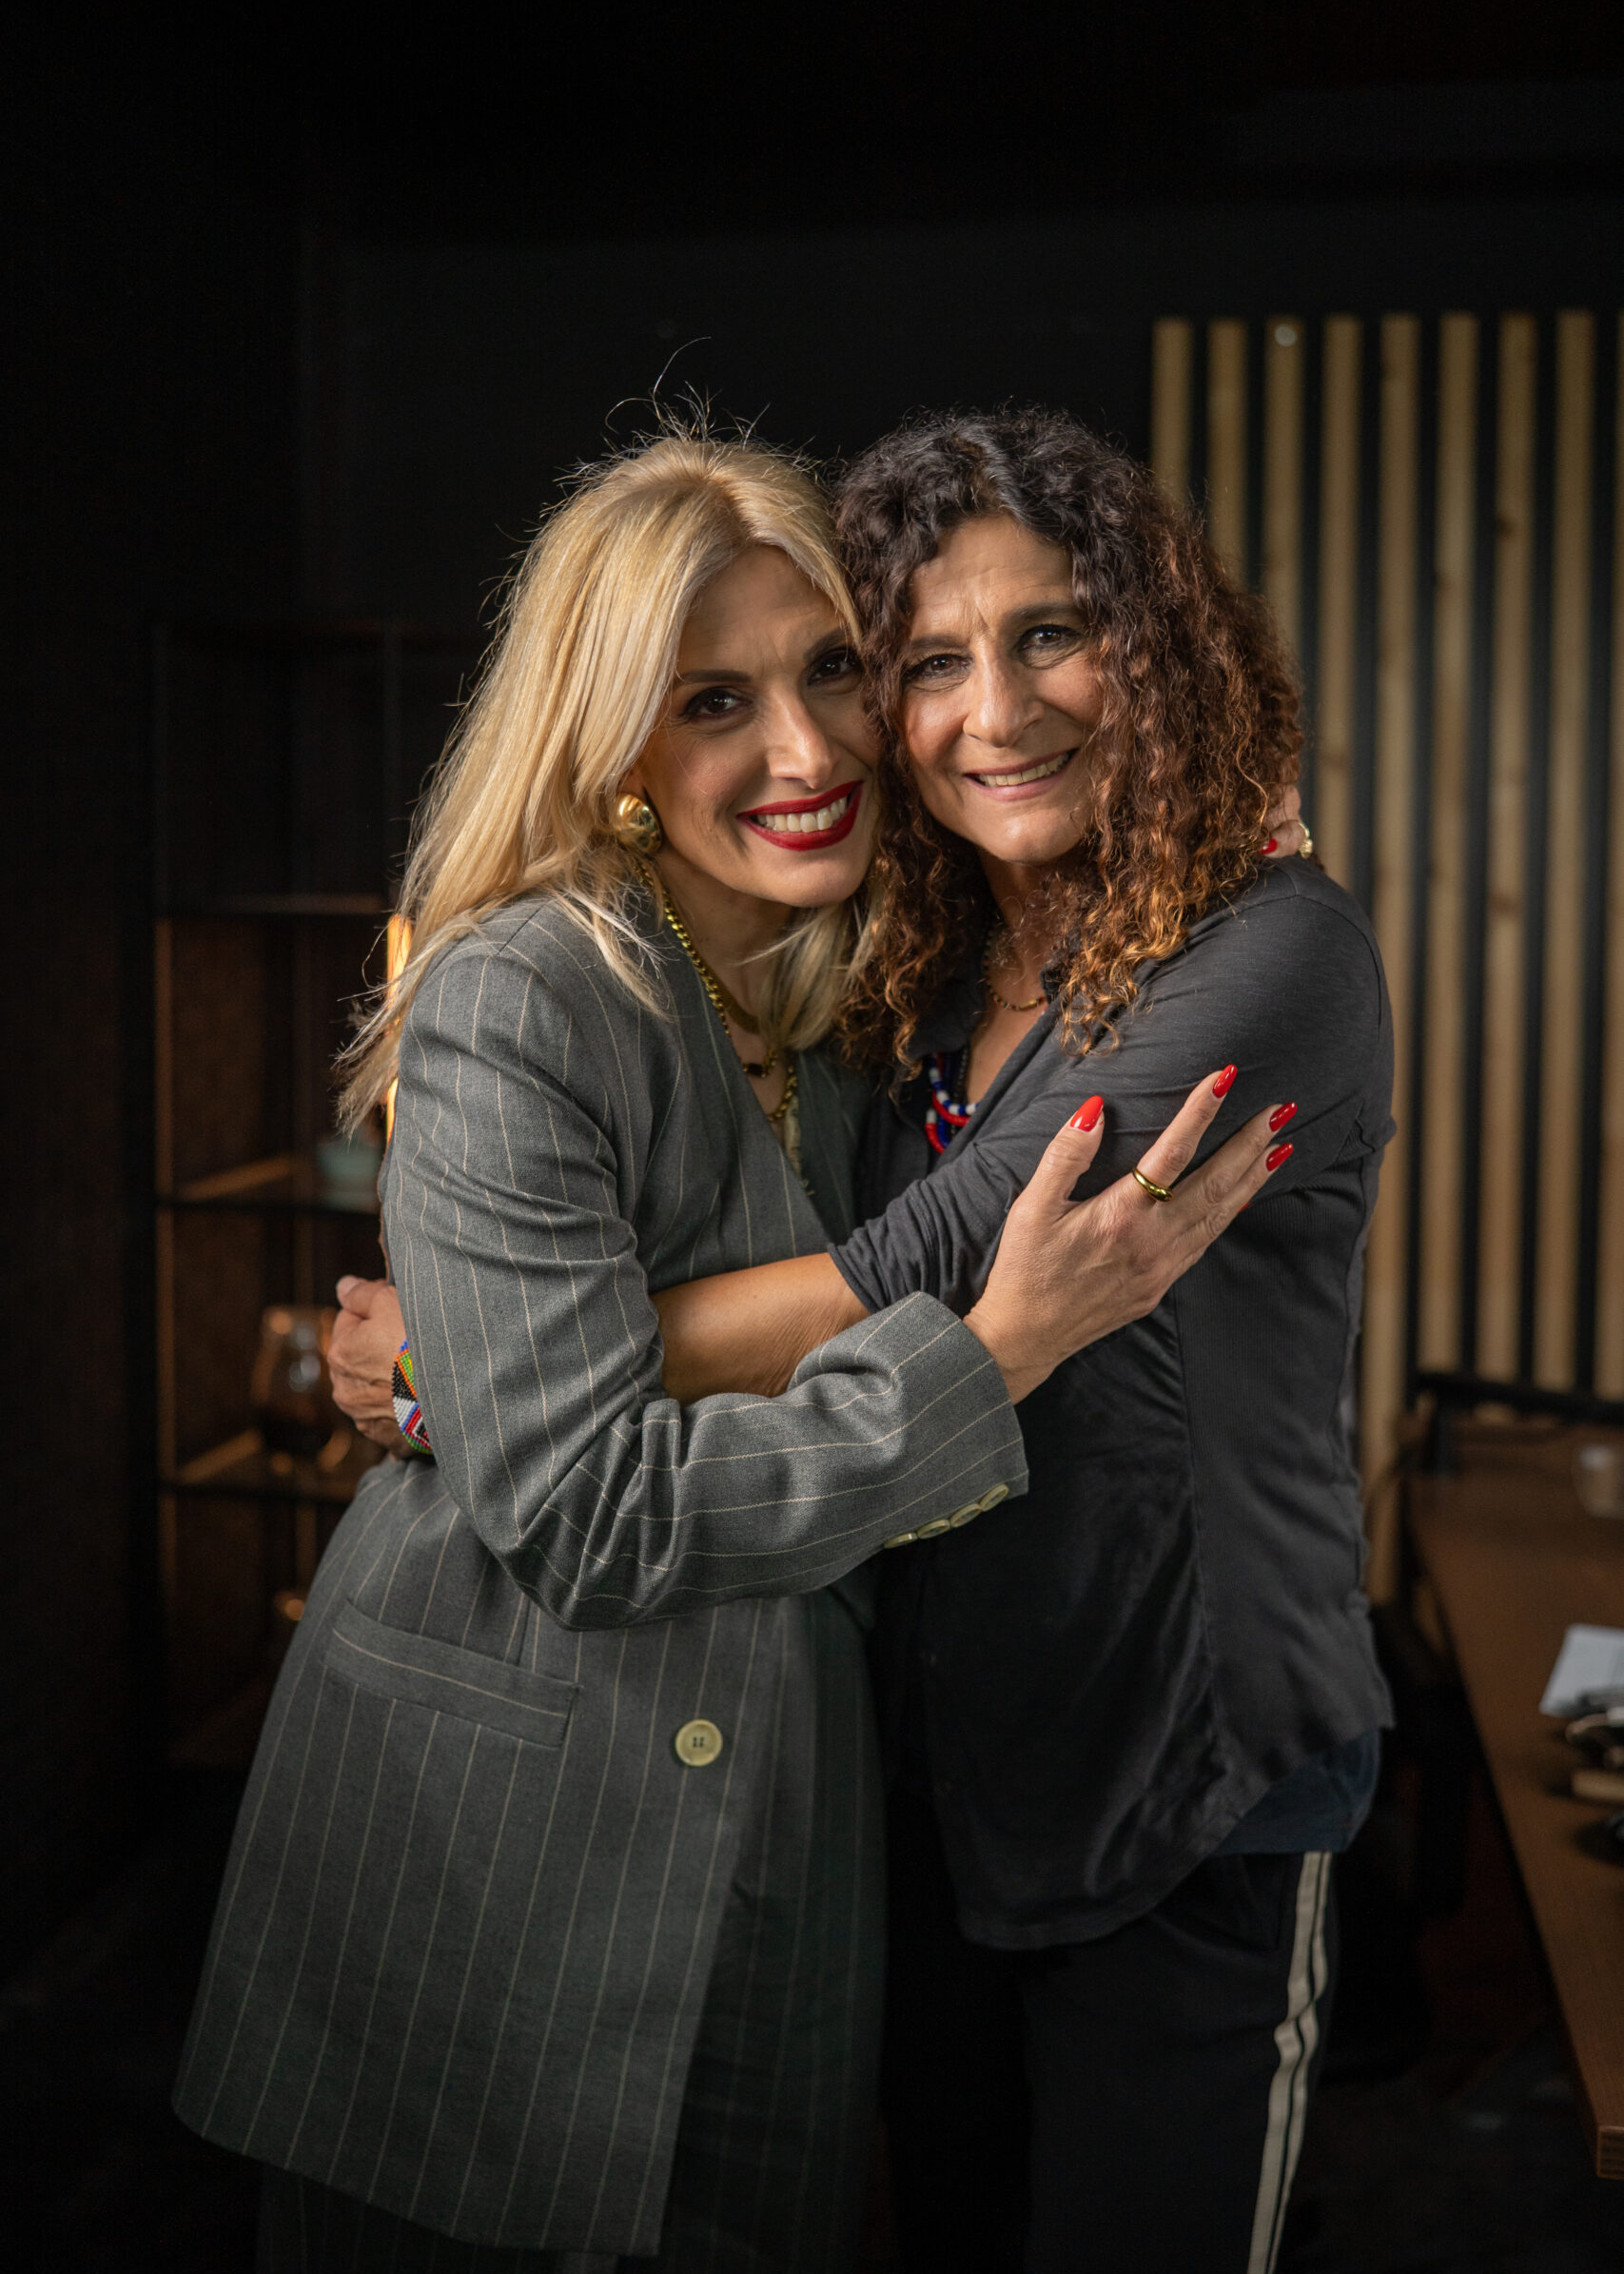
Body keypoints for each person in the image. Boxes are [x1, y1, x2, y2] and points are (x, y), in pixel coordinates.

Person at [173, 428, 1283, 2274]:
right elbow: (587, 1513)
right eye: (713, 701)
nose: (808, 749)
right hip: (493, 1842)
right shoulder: (524, 989)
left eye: (834, 670)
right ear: (612, 746)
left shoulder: (863, 994)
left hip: (784, 1817)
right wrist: (990, 1354)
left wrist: (448, 1379)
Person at [620, 409, 1396, 2274]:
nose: (996, 709)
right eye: (928, 662)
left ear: (1157, 644)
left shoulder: (1271, 951)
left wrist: (490, 1363)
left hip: (1195, 1786)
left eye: (1051, 633)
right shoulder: (923, 963)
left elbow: (913, 1263)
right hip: (945, 1786)